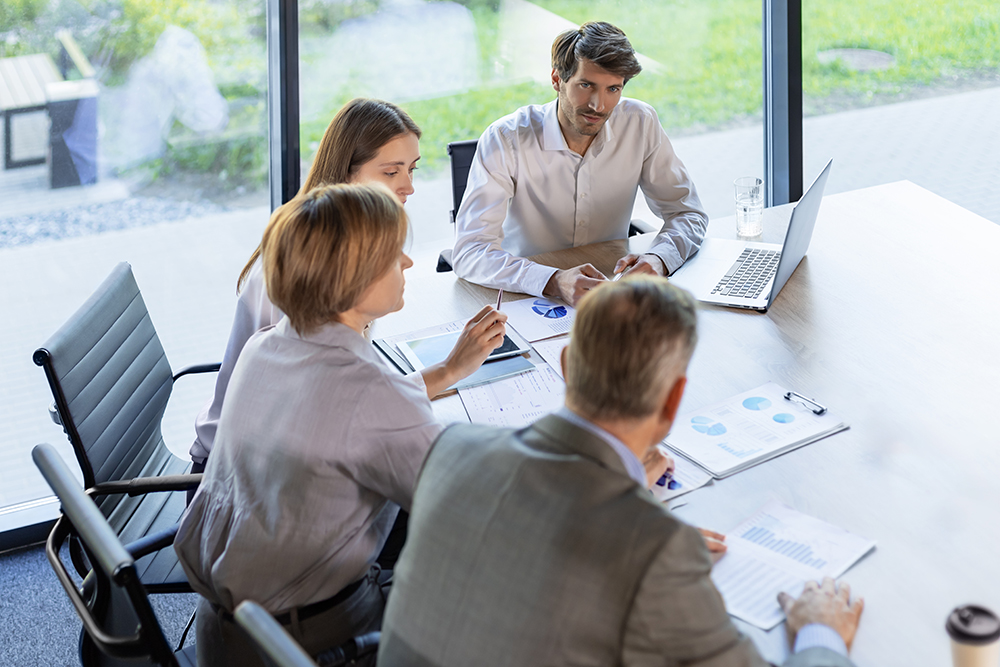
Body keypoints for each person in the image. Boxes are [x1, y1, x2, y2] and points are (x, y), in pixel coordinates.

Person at [378, 277, 863, 667]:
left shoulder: (451, 448)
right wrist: (820, 631)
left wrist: (631, 506)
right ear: (673, 401)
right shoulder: (656, 550)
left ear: (567, 365)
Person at [174, 183, 507, 667]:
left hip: (226, 631)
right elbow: (467, 506)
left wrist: (447, 371)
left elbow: (340, 413)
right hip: (314, 640)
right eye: (396, 255)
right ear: (356, 279)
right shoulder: (370, 395)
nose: (409, 264)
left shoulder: (266, 346)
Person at [187, 98, 423, 477]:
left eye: (411, 169)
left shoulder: (331, 245)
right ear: (348, 176)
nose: (408, 186)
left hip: (274, 447)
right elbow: (330, 406)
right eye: (392, 172)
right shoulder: (305, 271)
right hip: (239, 469)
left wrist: (447, 370)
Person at [452, 21, 708, 305]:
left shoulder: (640, 123)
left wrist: (659, 259)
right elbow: (470, 252)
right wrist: (553, 280)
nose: (599, 105)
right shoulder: (506, 138)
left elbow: (688, 214)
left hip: (611, 291)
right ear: (556, 79)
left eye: (613, 89)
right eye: (586, 85)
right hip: (527, 294)